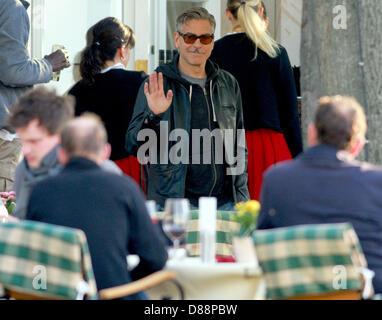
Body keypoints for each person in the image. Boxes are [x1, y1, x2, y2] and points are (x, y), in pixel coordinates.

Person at [26, 114, 168, 299]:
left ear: (61, 154)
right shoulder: (124, 187)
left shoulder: (40, 191)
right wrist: (126, 280)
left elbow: (33, 256)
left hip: (55, 294)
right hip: (112, 293)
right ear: (106, 152)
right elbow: (156, 258)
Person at [125, 7, 249, 210]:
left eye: (205, 39)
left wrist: (241, 196)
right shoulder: (157, 84)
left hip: (225, 202)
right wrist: (153, 116)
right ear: (177, 39)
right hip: (174, 203)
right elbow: (134, 145)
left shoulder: (228, 84)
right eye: (190, 38)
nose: (197, 45)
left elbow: (239, 145)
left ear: (212, 43)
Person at [257, 95, 382, 294]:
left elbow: (261, 247)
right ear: (357, 144)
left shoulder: (276, 179)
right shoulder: (377, 183)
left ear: (311, 133)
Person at [209, 0, 303, 200]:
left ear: (227, 14)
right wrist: (300, 159)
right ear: (260, 11)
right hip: (270, 148)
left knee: (230, 220)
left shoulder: (214, 53)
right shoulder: (276, 51)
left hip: (227, 149)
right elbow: (290, 115)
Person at [6, 87, 121, 219]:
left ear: (61, 135)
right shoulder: (24, 169)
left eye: (35, 141)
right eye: (23, 141)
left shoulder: (102, 172)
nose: (25, 150)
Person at [0, 0, 70, 192]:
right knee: (7, 214)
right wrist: (49, 64)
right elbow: (13, 71)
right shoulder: (11, 7)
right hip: (4, 141)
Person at [68, 17, 146, 187]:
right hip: (130, 169)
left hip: (86, 172)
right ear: (123, 50)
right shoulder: (138, 82)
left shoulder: (76, 91)